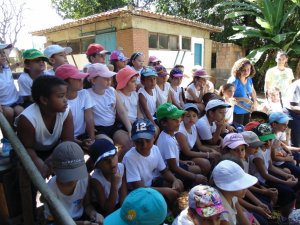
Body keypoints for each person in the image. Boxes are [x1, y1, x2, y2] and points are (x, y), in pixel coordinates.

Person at [16, 75, 74, 178]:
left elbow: (67, 141)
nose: (66, 100)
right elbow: (27, 147)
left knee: (70, 163)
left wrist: (52, 159)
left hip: (55, 149)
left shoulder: (66, 111)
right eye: (61, 96)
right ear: (44, 100)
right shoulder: (27, 119)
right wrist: (37, 161)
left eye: (65, 95)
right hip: (33, 152)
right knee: (29, 173)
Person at [122, 118, 183, 206]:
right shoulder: (130, 158)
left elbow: (164, 171)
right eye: (139, 142)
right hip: (137, 193)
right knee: (165, 195)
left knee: (177, 185)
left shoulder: (155, 149)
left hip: (150, 184)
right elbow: (139, 189)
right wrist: (165, 191)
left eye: (147, 140)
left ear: (154, 138)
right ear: (133, 141)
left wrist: (174, 180)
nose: (144, 145)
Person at [44, 141, 103, 225]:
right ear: (54, 170)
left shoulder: (84, 179)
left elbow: (87, 205)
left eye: (76, 174)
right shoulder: (50, 189)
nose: (72, 180)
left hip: (80, 217)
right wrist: (83, 223)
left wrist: (94, 214)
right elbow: (54, 219)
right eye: (67, 175)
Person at [250, 123, 298, 223]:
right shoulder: (257, 154)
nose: (268, 142)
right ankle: (277, 216)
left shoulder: (267, 148)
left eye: (270, 139)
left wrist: (286, 175)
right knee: (288, 192)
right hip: (260, 181)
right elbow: (264, 175)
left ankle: (282, 213)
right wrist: (285, 182)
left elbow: (270, 166)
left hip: (266, 177)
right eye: (265, 140)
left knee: (292, 185)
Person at [222, 133, 272, 224]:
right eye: (235, 150)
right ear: (226, 151)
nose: (240, 153)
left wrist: (258, 204)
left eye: (242, 149)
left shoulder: (242, 161)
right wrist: (256, 206)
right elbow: (236, 196)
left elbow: (237, 198)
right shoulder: (226, 170)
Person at [86, 63, 132, 160]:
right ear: (93, 80)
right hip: (99, 129)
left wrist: (130, 129)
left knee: (129, 143)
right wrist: (92, 136)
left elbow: (122, 111)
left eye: (110, 78)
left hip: (113, 126)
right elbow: (88, 117)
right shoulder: (87, 94)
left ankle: (118, 166)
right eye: (105, 78)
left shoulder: (111, 91)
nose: (109, 81)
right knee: (108, 147)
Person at [156, 103, 208, 189]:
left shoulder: (168, 134)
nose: (179, 121)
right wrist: (194, 177)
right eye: (174, 119)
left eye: (178, 117)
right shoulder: (168, 141)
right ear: (164, 123)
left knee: (197, 169)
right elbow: (173, 168)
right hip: (169, 173)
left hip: (173, 166)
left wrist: (182, 162)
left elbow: (170, 159)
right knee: (197, 172)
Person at [55, 64, 95, 151]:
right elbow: (61, 131)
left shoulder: (84, 93)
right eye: (77, 78)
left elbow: (89, 118)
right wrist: (81, 143)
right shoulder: (58, 102)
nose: (81, 80)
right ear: (65, 82)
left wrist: (92, 140)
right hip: (65, 139)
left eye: (81, 77)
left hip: (83, 136)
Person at [175, 103, 220, 174]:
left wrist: (211, 150)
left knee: (217, 151)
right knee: (206, 163)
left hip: (192, 150)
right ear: (182, 117)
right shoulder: (180, 132)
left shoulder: (193, 126)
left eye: (194, 116)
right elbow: (187, 152)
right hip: (182, 156)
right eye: (188, 116)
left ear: (197, 117)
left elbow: (199, 146)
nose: (191, 118)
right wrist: (208, 154)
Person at [212, 160, 258, 225]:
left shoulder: (232, 195)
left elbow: (241, 218)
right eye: (241, 184)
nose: (245, 188)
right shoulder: (220, 211)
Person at [89, 139, 127, 215]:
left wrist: (125, 212)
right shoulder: (96, 179)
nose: (111, 162)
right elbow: (107, 208)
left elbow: (123, 196)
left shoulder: (121, 168)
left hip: (118, 205)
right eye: (105, 160)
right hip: (103, 210)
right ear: (97, 166)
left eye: (113, 156)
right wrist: (114, 186)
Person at [0, 43, 23, 156]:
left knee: (21, 112)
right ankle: (7, 140)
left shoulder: (5, 68)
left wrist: (19, 63)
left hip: (15, 101)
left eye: (3, 53)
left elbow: (12, 67)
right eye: (0, 54)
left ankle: (17, 137)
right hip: (3, 104)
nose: (3, 56)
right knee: (8, 113)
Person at [228, 58, 258, 125]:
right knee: (238, 131)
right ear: (238, 70)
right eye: (243, 70)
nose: (246, 72)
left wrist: (255, 102)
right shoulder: (234, 81)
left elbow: (252, 91)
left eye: (248, 69)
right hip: (236, 111)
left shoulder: (249, 79)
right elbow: (228, 97)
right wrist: (243, 99)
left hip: (247, 110)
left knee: (246, 130)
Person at [268, 112, 300, 176]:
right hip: (279, 163)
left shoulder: (276, 133)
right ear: (274, 124)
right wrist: (287, 159)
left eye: (286, 124)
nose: (286, 127)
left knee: (297, 156)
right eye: (284, 124)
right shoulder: (269, 138)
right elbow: (273, 157)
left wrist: (297, 149)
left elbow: (283, 145)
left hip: (283, 157)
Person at [287, 78, 300, 147]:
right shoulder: (297, 85)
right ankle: (296, 155)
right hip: (294, 114)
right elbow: (293, 107)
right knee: (296, 143)